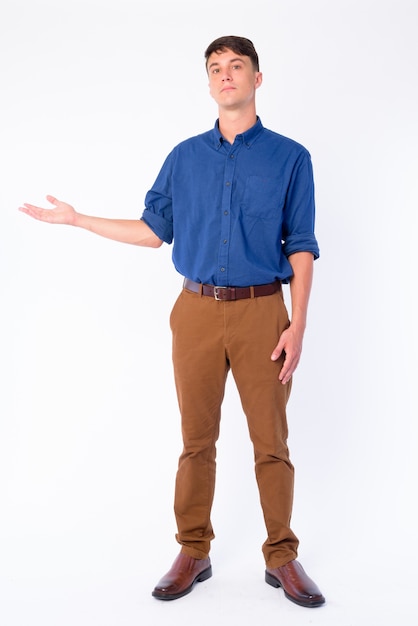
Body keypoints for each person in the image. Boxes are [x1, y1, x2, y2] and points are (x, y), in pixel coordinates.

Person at [19, 35, 325, 608]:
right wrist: (78, 219)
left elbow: (301, 246)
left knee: (272, 442)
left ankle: (282, 555)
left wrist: (298, 322)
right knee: (196, 441)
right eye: (216, 68)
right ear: (208, 82)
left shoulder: (290, 158)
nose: (226, 75)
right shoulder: (184, 157)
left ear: (257, 78)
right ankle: (193, 549)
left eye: (237, 66)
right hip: (195, 312)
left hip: (264, 312)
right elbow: (152, 232)